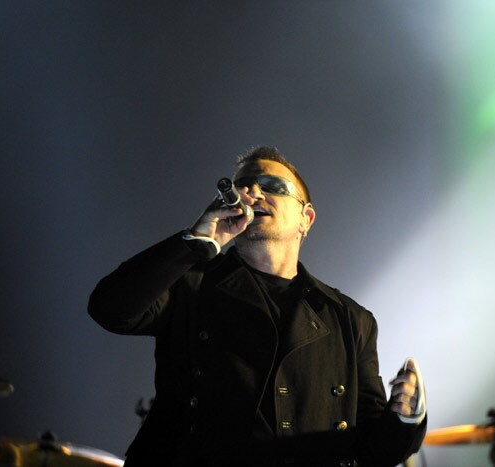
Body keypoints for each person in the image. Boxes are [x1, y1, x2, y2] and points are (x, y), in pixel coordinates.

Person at [88, 147, 427, 467]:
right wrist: (194, 244)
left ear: (305, 218)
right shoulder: (189, 283)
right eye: (242, 185)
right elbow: (110, 309)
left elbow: (372, 448)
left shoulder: (350, 319)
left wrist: (406, 418)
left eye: (272, 186)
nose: (253, 192)